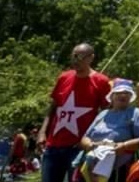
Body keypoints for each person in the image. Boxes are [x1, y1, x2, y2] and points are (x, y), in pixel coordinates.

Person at [37, 43, 111, 182]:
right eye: (73, 56)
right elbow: (53, 107)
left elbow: (107, 114)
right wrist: (42, 132)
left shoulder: (101, 81)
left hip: (79, 148)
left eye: (81, 56)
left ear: (91, 58)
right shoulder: (64, 77)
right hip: (53, 146)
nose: (76, 60)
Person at [75, 79, 139, 182]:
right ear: (111, 96)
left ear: (130, 97)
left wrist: (124, 146)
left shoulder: (135, 113)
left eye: (126, 93)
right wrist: (90, 145)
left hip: (120, 165)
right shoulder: (103, 114)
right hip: (93, 163)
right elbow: (85, 137)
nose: (122, 95)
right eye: (118, 93)